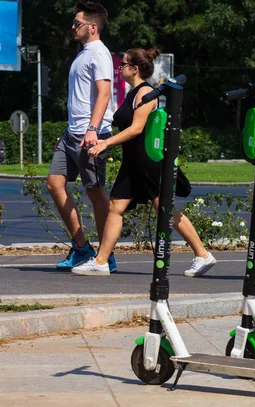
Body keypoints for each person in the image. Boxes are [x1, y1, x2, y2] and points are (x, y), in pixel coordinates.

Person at [72, 48, 217, 277]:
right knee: (115, 207)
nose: (119, 69)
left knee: (165, 210)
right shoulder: (133, 93)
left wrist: (105, 143)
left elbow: (137, 128)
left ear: (134, 69)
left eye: (123, 65)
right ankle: (101, 261)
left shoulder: (146, 92)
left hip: (147, 162)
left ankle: (202, 254)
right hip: (133, 162)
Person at [47, 1, 116, 272]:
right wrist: (69, 131)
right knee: (54, 184)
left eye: (77, 23)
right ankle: (81, 247)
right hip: (72, 134)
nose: (72, 27)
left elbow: (104, 94)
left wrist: (93, 129)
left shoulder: (99, 53)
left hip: (91, 135)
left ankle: (106, 256)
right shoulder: (83, 54)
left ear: (92, 26)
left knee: (96, 193)